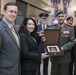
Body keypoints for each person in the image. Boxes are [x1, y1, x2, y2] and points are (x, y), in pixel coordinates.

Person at [49, 10, 75, 75]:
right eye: (59, 16)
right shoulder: (52, 28)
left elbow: (72, 41)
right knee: (54, 73)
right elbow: (49, 40)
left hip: (65, 56)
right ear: (57, 18)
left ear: (64, 17)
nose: (60, 18)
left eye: (62, 16)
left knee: (64, 73)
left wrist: (63, 48)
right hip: (54, 56)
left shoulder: (70, 29)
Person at [0, 2, 21, 75]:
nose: (13, 14)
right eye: (11, 11)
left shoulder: (14, 28)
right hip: (5, 72)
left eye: (15, 12)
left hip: (15, 69)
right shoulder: (0, 28)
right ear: (4, 11)